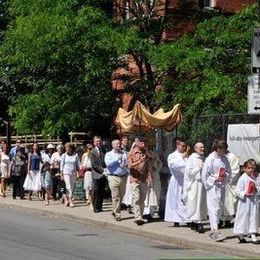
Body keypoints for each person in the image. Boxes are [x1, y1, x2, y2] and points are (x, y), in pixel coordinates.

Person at [202, 139, 232, 242]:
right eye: (223, 149)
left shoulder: (225, 159)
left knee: (219, 208)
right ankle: (214, 230)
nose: (225, 151)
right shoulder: (210, 159)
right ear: (218, 148)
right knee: (213, 208)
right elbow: (205, 174)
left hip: (221, 186)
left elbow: (229, 171)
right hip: (213, 187)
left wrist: (224, 177)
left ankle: (215, 229)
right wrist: (214, 179)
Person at [182, 142, 207, 233]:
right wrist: (198, 169)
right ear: (195, 149)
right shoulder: (191, 159)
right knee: (194, 202)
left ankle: (195, 221)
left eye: (203, 147)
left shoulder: (204, 158)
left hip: (202, 184)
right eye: (200, 147)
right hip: (194, 184)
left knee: (200, 203)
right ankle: (198, 223)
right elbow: (188, 173)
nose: (202, 149)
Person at [233, 159, 259, 244]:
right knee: (243, 218)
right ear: (244, 168)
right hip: (244, 202)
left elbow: (257, 188)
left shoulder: (253, 177)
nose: (251, 170)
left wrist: (255, 189)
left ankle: (253, 235)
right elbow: (237, 191)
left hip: (253, 202)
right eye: (249, 168)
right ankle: (240, 234)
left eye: (252, 168)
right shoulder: (242, 178)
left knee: (253, 217)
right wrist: (244, 193)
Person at [128, 137, 152, 225]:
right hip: (135, 178)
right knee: (137, 197)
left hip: (144, 178)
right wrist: (139, 161)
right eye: (141, 142)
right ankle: (138, 217)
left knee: (143, 198)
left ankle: (140, 216)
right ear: (137, 143)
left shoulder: (146, 152)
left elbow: (149, 165)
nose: (143, 144)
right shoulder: (131, 153)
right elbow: (130, 166)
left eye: (144, 142)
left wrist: (150, 178)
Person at [164, 138, 188, 226]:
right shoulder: (172, 156)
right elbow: (174, 166)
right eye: (182, 146)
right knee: (175, 200)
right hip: (176, 180)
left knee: (184, 200)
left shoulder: (187, 156)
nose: (184, 148)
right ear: (177, 145)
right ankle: (175, 219)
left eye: (185, 146)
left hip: (185, 180)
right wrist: (182, 158)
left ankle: (186, 219)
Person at [105, 139, 128, 221]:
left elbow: (127, 164)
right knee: (116, 196)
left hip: (123, 176)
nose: (119, 145)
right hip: (113, 176)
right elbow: (108, 164)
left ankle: (114, 210)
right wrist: (117, 159)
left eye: (119, 144)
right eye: (117, 144)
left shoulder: (124, 154)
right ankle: (117, 214)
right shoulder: (109, 154)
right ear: (113, 145)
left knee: (122, 195)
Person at [219, 150, 240, 228]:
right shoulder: (218, 156)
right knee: (220, 202)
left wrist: (228, 178)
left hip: (228, 183)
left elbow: (235, 170)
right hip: (220, 182)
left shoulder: (232, 157)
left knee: (229, 202)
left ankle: (228, 220)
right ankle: (220, 220)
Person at [89, 136, 107, 213]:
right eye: (97, 141)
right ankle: (95, 207)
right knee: (96, 191)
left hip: (103, 174)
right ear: (94, 143)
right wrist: (102, 170)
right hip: (96, 174)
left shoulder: (104, 150)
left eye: (99, 141)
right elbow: (94, 164)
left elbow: (105, 161)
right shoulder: (92, 152)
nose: (98, 143)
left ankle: (100, 207)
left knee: (102, 191)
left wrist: (106, 169)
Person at [60, 142, 80, 208]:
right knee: (68, 186)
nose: (67, 150)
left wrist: (78, 173)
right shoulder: (64, 155)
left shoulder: (76, 155)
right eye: (66, 148)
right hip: (66, 173)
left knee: (72, 187)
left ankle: (67, 199)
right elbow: (61, 166)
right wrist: (61, 174)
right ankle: (71, 201)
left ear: (71, 149)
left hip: (73, 173)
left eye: (68, 148)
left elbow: (78, 165)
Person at [81, 143, 94, 208]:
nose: (90, 150)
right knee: (89, 188)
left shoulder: (94, 155)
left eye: (91, 148)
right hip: (88, 172)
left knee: (94, 188)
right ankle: (90, 202)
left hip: (95, 172)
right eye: (89, 148)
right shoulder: (85, 155)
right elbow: (83, 165)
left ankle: (91, 200)